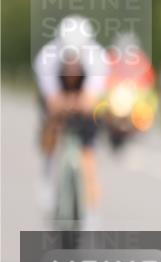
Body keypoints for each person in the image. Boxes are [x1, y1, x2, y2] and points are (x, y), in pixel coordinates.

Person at [33, 15, 108, 227]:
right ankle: (48, 177)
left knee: (88, 155)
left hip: (84, 98)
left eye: (76, 56)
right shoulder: (46, 58)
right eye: (68, 56)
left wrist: (79, 103)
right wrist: (64, 105)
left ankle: (91, 211)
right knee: (51, 131)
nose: (72, 62)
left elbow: (90, 99)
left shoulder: (98, 58)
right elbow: (53, 100)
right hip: (59, 94)